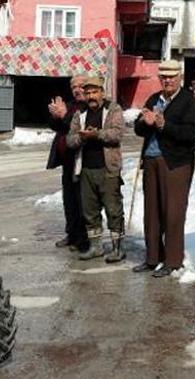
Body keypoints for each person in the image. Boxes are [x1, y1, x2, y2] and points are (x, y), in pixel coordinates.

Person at [133, 60, 195, 278]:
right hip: (151, 161)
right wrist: (146, 121)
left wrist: (162, 125)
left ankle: (173, 261)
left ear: (179, 77)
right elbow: (138, 128)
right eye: (164, 77)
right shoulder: (154, 99)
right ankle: (153, 258)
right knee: (151, 212)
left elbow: (189, 133)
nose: (167, 80)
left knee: (173, 212)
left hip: (175, 163)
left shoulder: (187, 101)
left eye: (172, 76)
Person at [66, 76, 126, 263]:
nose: (91, 96)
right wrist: (82, 138)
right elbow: (70, 140)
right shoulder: (80, 113)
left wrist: (97, 134)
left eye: (94, 92)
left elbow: (117, 134)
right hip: (86, 169)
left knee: (113, 210)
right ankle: (95, 247)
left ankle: (118, 248)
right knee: (89, 211)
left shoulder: (113, 109)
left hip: (108, 169)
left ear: (102, 92)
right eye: (88, 93)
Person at [47, 75, 89, 252]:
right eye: (74, 87)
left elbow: (75, 127)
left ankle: (83, 238)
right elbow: (57, 127)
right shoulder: (71, 104)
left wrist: (64, 116)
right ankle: (71, 234)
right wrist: (55, 116)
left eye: (81, 86)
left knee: (82, 202)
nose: (77, 90)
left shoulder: (89, 107)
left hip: (83, 161)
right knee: (69, 200)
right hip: (67, 162)